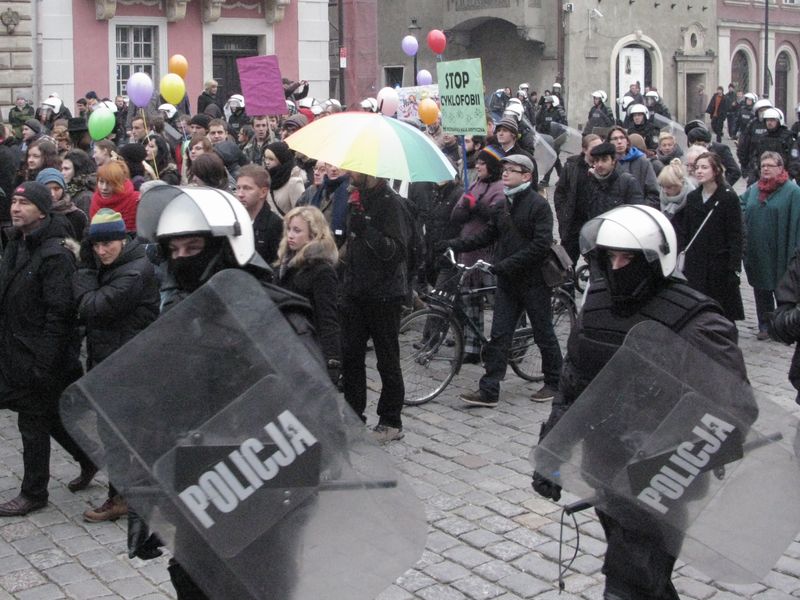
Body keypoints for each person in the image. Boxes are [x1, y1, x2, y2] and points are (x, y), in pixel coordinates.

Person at [533, 204, 749, 600]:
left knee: (627, 583)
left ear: (654, 259)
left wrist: (663, 457)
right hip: (604, 469)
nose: (615, 267)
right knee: (645, 581)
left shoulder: (696, 320)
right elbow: (573, 384)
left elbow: (733, 413)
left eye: (627, 257)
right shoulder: (596, 304)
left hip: (663, 481)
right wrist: (551, 453)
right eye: (608, 256)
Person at [0, 182, 96, 517]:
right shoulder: (18, 241)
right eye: (14, 201)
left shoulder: (55, 253)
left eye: (24, 203)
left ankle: (33, 491)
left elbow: (60, 313)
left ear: (42, 211)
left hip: (42, 354)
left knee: (33, 420)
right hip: (17, 346)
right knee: (52, 417)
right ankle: (89, 459)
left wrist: (44, 361)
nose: (15, 208)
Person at [442, 154, 563, 405]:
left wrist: (506, 264)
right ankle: (489, 389)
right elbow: (487, 235)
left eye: (512, 170)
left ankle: (554, 381)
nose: (505, 173)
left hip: (534, 281)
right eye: (505, 169)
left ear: (527, 175)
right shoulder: (503, 205)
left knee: (543, 333)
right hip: (508, 281)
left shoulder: (537, 205)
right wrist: (453, 244)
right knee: (499, 335)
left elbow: (540, 245)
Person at [72, 209, 160, 522]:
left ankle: (130, 497)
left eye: (107, 243)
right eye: (95, 246)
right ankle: (124, 495)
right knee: (112, 434)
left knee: (124, 435)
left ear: (122, 239)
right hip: (111, 363)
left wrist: (83, 269)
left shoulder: (134, 271)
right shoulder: (111, 265)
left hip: (129, 369)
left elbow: (91, 305)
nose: (101, 250)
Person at [340, 170, 409, 444]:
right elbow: (351, 243)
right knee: (351, 356)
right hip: (355, 290)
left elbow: (397, 251)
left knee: (387, 359)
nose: (348, 173)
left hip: (384, 294)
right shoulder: (355, 198)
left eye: (354, 168)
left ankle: (391, 421)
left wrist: (367, 230)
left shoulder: (391, 203)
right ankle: (353, 415)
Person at [450, 146, 506, 362]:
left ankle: (512, 339)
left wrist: (477, 206)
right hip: (469, 253)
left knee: (497, 298)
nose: (478, 166)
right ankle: (473, 348)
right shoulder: (474, 184)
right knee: (470, 300)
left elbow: (495, 217)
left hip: (488, 254)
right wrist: (464, 206)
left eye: (482, 163)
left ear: (491, 166)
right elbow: (456, 215)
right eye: (478, 163)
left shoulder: (499, 188)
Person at [674, 152, 744, 325]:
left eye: (704, 167)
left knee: (721, 311)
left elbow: (736, 234)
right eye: (696, 168)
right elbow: (686, 230)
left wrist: (733, 267)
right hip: (696, 264)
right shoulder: (692, 198)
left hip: (719, 264)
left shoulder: (728, 197)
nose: (699, 171)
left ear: (715, 171)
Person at [275, 206, 342, 384]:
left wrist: (332, 360)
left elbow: (327, 318)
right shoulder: (285, 262)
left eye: (297, 230)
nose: (290, 235)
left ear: (313, 235)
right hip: (284, 344)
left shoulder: (321, 271)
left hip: (306, 345)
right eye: (289, 229)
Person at [740, 151, 800, 340]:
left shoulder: (793, 192)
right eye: (763, 165)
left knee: (782, 287)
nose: (765, 168)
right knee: (760, 287)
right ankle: (764, 324)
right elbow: (740, 205)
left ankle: (782, 324)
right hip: (758, 249)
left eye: (770, 165)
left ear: (781, 168)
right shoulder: (754, 188)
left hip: (782, 247)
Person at [555, 134, 603, 262]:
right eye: (594, 147)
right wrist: (563, 214)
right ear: (584, 149)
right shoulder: (572, 165)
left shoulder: (603, 166)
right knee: (567, 262)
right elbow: (560, 192)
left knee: (595, 261)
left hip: (593, 221)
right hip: (573, 222)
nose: (598, 150)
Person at [235, 164, 283, 263]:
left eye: (247, 188)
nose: (240, 194)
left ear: (263, 192)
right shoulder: (233, 220)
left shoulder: (275, 225)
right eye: (238, 188)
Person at [298, 163, 350, 248]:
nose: (333, 169)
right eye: (330, 164)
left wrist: (337, 258)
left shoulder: (350, 193)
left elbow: (349, 238)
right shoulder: (316, 190)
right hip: (312, 249)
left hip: (334, 252)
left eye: (339, 165)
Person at [607, 126, 659, 206]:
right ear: (609, 142)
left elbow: (653, 194)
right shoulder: (607, 165)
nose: (619, 141)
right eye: (615, 139)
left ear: (627, 141)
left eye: (622, 138)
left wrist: (640, 210)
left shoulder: (643, 162)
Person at [35, 167, 88, 240]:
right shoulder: (32, 214)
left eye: (56, 189)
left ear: (63, 189)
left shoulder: (77, 216)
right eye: (47, 189)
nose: (52, 194)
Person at [90, 160, 139, 231]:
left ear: (120, 183)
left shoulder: (135, 199)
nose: (104, 188)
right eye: (101, 182)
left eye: (109, 183)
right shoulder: (95, 200)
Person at [263, 141, 304, 217]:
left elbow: (300, 213)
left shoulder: (294, 182)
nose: (267, 162)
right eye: (266, 158)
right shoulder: (268, 180)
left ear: (281, 159)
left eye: (271, 159)